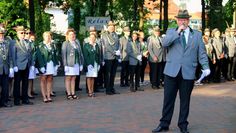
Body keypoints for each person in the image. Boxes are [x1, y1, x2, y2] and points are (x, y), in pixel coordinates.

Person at [152, 10, 210, 133]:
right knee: (168, 100)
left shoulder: (197, 35)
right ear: (177, 21)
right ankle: (164, 124)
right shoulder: (171, 32)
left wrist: (206, 66)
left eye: (184, 19)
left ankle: (183, 124)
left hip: (188, 72)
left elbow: (202, 53)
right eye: (179, 19)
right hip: (171, 72)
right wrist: (177, 32)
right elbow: (165, 44)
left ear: (188, 21)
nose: (182, 21)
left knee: (185, 100)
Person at [35, 31, 60, 103]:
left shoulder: (52, 45)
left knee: (50, 79)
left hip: (51, 64)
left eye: (49, 36)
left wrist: (56, 64)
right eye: (46, 36)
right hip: (43, 64)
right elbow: (39, 57)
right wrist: (41, 66)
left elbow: (55, 55)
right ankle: (44, 96)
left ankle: (48, 96)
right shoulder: (40, 45)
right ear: (43, 37)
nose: (48, 37)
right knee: (43, 79)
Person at [12, 26, 34, 106]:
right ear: (17, 34)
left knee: (25, 83)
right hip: (18, 65)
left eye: (24, 33)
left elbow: (30, 54)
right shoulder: (14, 42)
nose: (23, 34)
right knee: (17, 83)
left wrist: (31, 64)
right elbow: (13, 55)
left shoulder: (27, 42)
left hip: (27, 65)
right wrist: (14, 65)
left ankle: (25, 99)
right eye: (21, 33)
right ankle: (16, 100)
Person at [62, 28, 83, 100]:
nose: (72, 36)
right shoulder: (65, 43)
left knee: (74, 78)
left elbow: (80, 54)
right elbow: (64, 55)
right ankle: (69, 93)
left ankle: (73, 93)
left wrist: (81, 63)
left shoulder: (77, 43)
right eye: (70, 34)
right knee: (68, 78)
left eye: (73, 34)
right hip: (69, 64)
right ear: (67, 36)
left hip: (76, 63)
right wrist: (65, 65)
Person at [100, 21, 120, 95]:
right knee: (107, 74)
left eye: (113, 26)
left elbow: (118, 44)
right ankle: (108, 89)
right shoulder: (104, 35)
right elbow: (107, 46)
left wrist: (118, 51)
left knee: (113, 74)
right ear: (108, 27)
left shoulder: (116, 35)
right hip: (108, 57)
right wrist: (114, 52)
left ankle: (112, 88)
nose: (112, 27)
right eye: (110, 26)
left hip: (115, 57)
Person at [83, 33, 101, 97]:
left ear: (95, 38)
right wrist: (88, 64)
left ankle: (92, 90)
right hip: (89, 64)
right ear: (89, 38)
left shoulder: (96, 45)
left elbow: (99, 55)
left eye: (93, 38)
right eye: (91, 37)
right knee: (89, 77)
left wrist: (99, 63)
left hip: (95, 63)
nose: (92, 39)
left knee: (93, 77)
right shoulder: (86, 45)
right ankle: (89, 91)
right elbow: (85, 56)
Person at [0, 27, 13, 107]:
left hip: (5, 68)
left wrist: (11, 67)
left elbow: (10, 57)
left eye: (2, 34)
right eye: (0, 35)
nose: (1, 36)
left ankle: (4, 102)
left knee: (5, 87)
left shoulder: (6, 44)